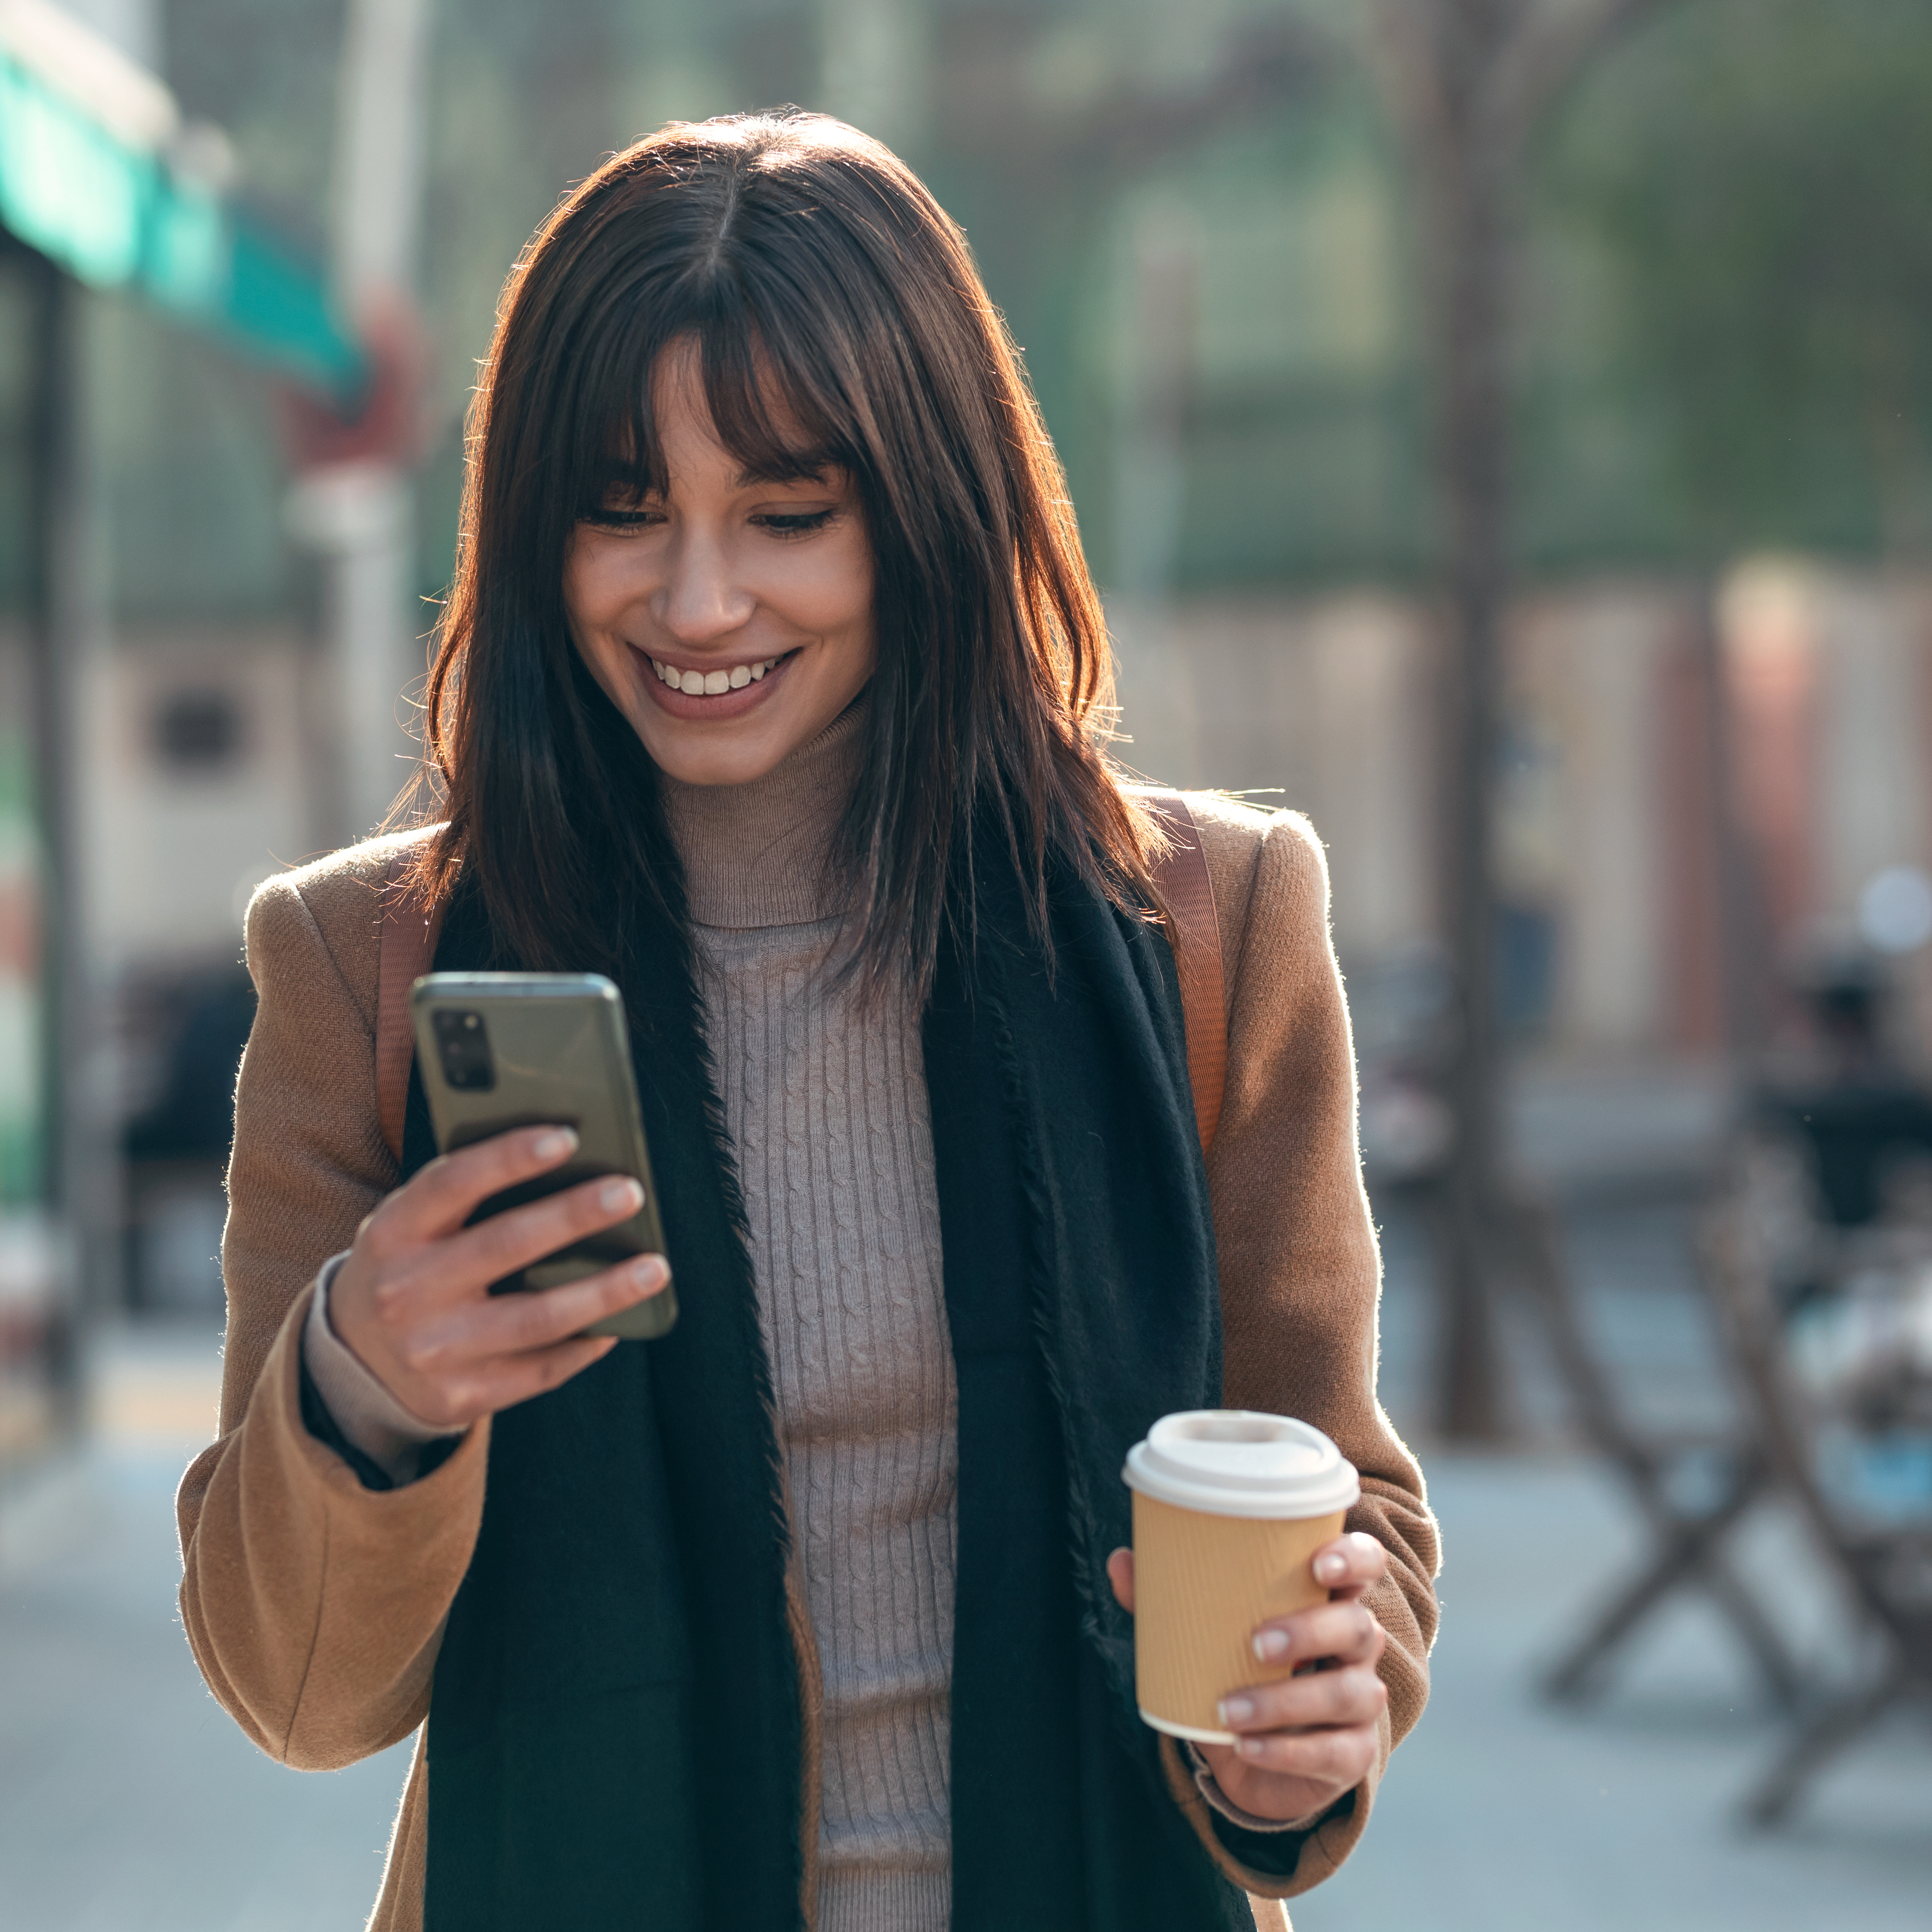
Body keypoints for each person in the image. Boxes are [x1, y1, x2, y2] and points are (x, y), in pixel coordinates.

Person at [176, 112, 1438, 1932]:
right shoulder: (369, 969)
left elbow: (1343, 1509)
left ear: (923, 507)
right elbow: (298, 1695)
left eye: (787, 514)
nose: (699, 600)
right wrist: (370, 1380)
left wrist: (1318, 1711)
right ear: (534, 530)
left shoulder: (1208, 931)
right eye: (623, 513)